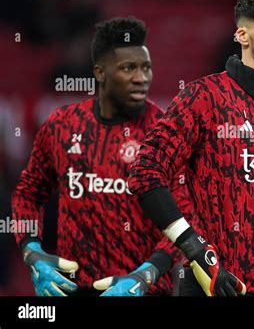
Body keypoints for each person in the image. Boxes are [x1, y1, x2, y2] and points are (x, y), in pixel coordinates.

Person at [128, 0, 254, 296]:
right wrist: (195, 249)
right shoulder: (204, 97)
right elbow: (146, 171)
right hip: (216, 286)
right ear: (243, 36)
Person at [11, 17, 191, 296]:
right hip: (73, 289)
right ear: (100, 73)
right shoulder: (62, 125)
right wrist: (30, 249)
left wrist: (148, 273)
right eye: (129, 68)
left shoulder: (165, 133)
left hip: (144, 289)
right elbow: (27, 194)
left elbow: (185, 217)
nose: (141, 78)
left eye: (146, 68)